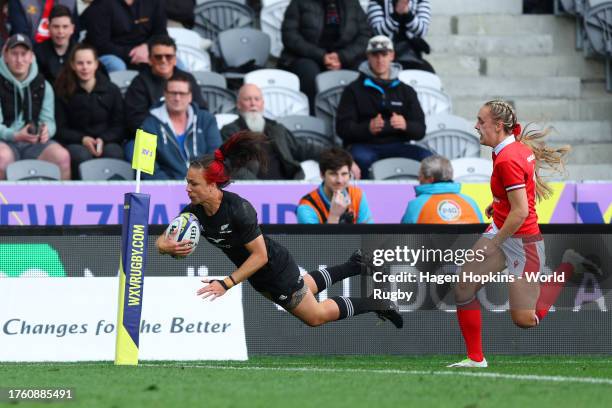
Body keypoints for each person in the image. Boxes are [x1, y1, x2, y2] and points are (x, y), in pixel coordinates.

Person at [156, 131, 403, 329]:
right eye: (187, 181)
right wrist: (163, 246)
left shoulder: (239, 209)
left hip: (273, 267)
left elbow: (259, 255)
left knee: (315, 316)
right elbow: (166, 239)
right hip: (259, 275)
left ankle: (378, 303)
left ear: (212, 185)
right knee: (303, 289)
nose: (187, 187)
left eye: (193, 183)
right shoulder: (194, 211)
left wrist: (226, 283)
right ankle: (354, 265)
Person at [447, 99, 591, 368]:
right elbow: (518, 194)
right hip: (503, 229)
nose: (476, 126)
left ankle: (568, 267)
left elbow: (521, 212)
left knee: (525, 321)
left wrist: (495, 242)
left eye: (481, 121)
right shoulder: (508, 149)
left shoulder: (508, 157)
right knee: (464, 286)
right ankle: (476, 359)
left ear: (499, 126)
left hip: (521, 240)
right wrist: (499, 202)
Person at [336, 34, 431, 178]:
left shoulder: (406, 90)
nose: (380, 60)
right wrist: (367, 128)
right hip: (363, 145)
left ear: (392, 56)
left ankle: (425, 198)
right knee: (362, 159)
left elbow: (420, 129)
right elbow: (341, 128)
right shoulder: (353, 90)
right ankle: (363, 199)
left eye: (384, 54)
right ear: (368, 57)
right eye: (375, 55)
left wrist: (406, 125)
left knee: (430, 160)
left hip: (398, 145)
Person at [220, 83, 331, 180]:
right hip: (252, 190)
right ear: (238, 104)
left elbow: (302, 148)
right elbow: (232, 165)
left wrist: (334, 156)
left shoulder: (276, 128)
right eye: (247, 99)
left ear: (262, 104)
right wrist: (254, 186)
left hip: (286, 185)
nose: (253, 103)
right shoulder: (230, 131)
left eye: (257, 99)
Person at [0, 34, 70, 180]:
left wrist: (46, 131)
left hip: (34, 143)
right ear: (5, 56)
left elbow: (49, 121)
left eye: (24, 54)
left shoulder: (44, 85)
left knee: (62, 157)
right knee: (1, 158)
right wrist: (14, 135)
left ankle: (61, 202)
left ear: (31, 57)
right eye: (14, 54)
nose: (19, 60)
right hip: (5, 141)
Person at [279, 0, 371, 108]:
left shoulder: (352, 3)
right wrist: (321, 56)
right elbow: (289, 35)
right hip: (308, 56)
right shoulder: (299, 2)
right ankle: (312, 116)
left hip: (344, 57)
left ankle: (354, 118)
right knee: (308, 71)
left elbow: (365, 35)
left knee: (362, 70)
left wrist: (342, 57)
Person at [54, 43, 127, 179]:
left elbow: (119, 125)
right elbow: (60, 128)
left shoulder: (112, 90)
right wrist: (82, 139)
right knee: (80, 156)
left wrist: (103, 139)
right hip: (76, 142)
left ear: (96, 64)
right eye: (80, 63)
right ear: (72, 65)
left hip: (107, 141)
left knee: (114, 153)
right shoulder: (63, 91)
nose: (85, 67)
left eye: (89, 62)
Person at [140, 71, 221, 180]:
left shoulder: (206, 120)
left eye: (182, 94)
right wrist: (169, 188)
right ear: (165, 94)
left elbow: (215, 157)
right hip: (167, 189)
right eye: (173, 93)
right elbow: (147, 167)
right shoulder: (149, 124)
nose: (177, 98)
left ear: (190, 96)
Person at [125, 35, 206, 137]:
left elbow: (201, 110)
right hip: (150, 137)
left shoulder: (188, 79)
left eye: (169, 56)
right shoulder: (139, 83)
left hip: (186, 135)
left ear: (175, 59)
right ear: (149, 59)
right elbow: (135, 121)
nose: (164, 60)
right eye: (158, 57)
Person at [83, 0, 167, 72]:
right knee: (116, 65)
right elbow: (100, 44)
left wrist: (147, 47)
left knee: (173, 61)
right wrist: (133, 54)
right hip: (111, 54)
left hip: (146, 51)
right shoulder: (101, 4)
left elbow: (161, 33)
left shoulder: (154, 2)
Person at [297, 147, 372, 224]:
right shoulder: (307, 206)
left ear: (350, 175)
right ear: (322, 175)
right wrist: (334, 216)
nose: (339, 180)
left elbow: (369, 235)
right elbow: (315, 236)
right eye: (333, 174)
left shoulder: (357, 195)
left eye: (344, 174)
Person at [401, 155, 483, 224]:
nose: (418, 179)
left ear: (430, 179)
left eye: (420, 175)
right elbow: (482, 236)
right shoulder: (470, 202)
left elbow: (403, 237)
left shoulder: (416, 205)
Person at [367, 0, 434, 72]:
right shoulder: (376, 1)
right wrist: (397, 14)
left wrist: (408, 14)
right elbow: (379, 32)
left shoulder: (420, 1)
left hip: (413, 55)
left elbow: (422, 31)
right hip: (384, 56)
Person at [34, 5, 75, 84]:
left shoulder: (80, 52)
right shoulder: (38, 52)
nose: (60, 31)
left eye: (65, 27)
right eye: (56, 27)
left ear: (72, 29)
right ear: (48, 28)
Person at [8, 0, 78, 43]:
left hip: (62, 51)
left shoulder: (69, 1)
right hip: (30, 52)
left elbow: (75, 33)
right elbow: (21, 34)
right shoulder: (20, 1)